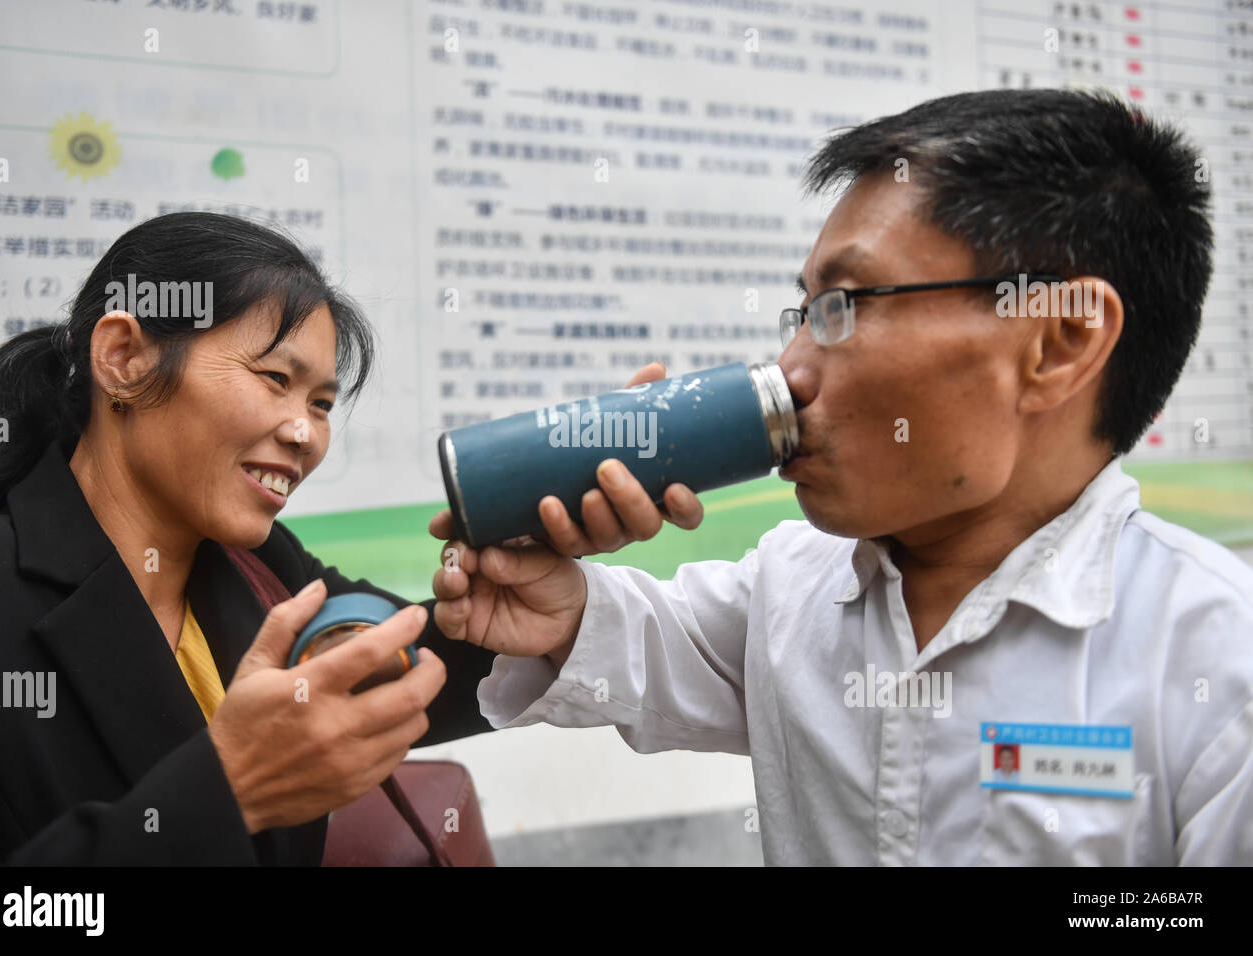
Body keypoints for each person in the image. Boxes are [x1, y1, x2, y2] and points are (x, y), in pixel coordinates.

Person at [430, 89, 1253, 865]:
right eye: (806, 310)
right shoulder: (791, 592)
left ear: (1057, 341)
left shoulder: (1217, 659)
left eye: (846, 306)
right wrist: (547, 568)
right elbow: (628, 638)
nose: (790, 370)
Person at [0, 211, 508, 865]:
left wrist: (536, 598)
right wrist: (230, 790)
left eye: (322, 404)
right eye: (275, 380)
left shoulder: (262, 569)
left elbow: (410, 663)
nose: (304, 433)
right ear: (123, 359)